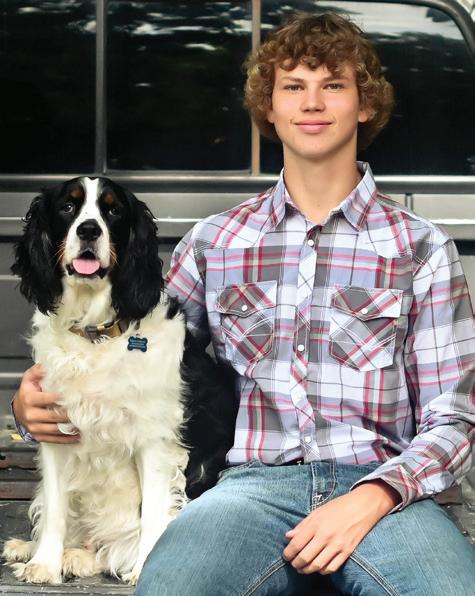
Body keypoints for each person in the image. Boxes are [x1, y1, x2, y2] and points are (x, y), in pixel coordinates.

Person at [13, 13, 474, 596]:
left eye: (333, 84)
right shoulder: (215, 243)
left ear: (365, 105)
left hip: (383, 494)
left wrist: (374, 496)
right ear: (269, 108)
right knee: (170, 589)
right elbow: (129, 342)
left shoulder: (421, 248)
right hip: (245, 494)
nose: (312, 102)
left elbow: (454, 418)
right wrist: (31, 408)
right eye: (293, 86)